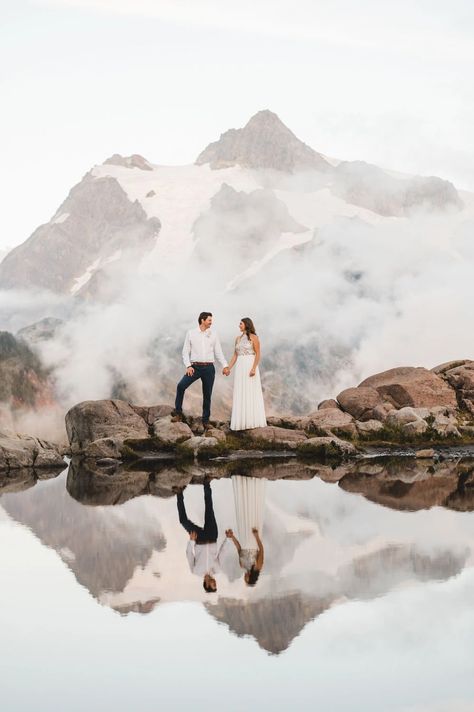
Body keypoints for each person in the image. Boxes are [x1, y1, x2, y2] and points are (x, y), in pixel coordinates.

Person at [173, 312, 229, 429]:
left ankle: (205, 421)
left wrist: (225, 365)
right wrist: (188, 366)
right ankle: (178, 414)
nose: (211, 322)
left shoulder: (213, 334)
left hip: (209, 368)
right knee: (181, 386)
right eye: (209, 320)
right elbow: (185, 352)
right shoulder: (191, 333)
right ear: (202, 320)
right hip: (195, 367)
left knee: (207, 394)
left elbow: (218, 352)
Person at [177, 481, 229, 593]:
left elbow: (189, 554)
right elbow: (223, 552)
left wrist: (191, 541)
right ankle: (206, 483)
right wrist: (228, 539)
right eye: (216, 585)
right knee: (209, 509)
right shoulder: (217, 570)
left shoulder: (195, 571)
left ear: (206, 585)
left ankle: (179, 493)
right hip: (212, 536)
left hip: (198, 539)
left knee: (183, 521)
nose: (215, 583)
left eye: (213, 586)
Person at [226, 317, 266, 430]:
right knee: (241, 390)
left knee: (250, 390)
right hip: (240, 367)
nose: (239, 326)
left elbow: (258, 354)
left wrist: (253, 368)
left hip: (249, 365)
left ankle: (252, 420)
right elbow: (235, 355)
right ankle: (241, 421)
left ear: (247, 325)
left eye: (241, 324)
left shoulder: (254, 338)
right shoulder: (237, 339)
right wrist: (228, 368)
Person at [226, 475, 266, 586]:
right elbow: (261, 550)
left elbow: (239, 548)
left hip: (244, 538)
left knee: (243, 514)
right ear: (251, 578)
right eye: (246, 580)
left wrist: (232, 536)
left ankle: (242, 484)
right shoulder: (258, 566)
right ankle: (253, 483)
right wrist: (256, 536)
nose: (245, 578)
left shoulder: (242, 565)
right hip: (253, 541)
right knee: (252, 514)